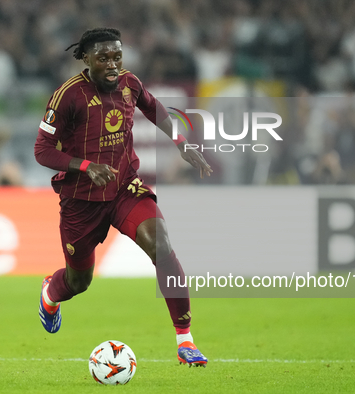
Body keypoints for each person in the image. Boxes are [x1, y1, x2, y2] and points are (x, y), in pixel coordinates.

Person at [34, 28, 212, 367]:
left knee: (162, 246)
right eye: (103, 58)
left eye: (117, 56)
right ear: (87, 59)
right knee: (79, 281)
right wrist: (84, 166)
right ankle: (50, 294)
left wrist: (181, 143)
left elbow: (155, 108)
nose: (112, 64)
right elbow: (41, 150)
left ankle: (185, 340)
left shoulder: (130, 83)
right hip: (81, 201)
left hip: (124, 189)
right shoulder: (67, 96)